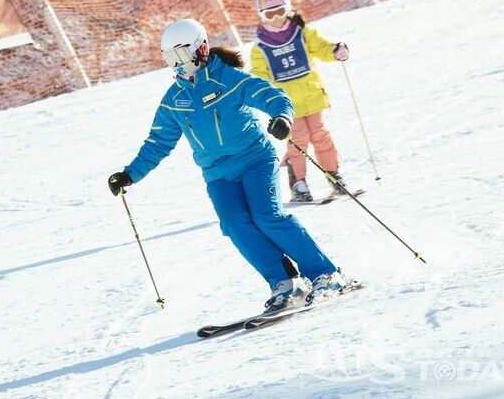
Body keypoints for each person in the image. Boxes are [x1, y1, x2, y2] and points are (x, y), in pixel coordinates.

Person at [107, 19, 350, 312]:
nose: (179, 63)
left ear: (202, 48)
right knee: (234, 224)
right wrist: (130, 174)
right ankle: (285, 281)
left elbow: (272, 95)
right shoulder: (175, 99)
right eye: (171, 58)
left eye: (183, 54)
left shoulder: (230, 79)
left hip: (255, 160)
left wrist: (281, 117)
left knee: (266, 215)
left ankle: (326, 273)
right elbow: (158, 143)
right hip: (218, 175)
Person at [250, 0, 351, 203]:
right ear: (262, 16)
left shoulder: (302, 33)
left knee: (321, 136)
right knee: (298, 141)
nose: (276, 18)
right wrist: (259, 92)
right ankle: (299, 183)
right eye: (269, 14)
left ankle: (334, 175)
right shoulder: (260, 47)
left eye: (280, 11)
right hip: (287, 105)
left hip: (312, 96)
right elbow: (259, 74)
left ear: (287, 9)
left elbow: (321, 48)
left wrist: (335, 50)